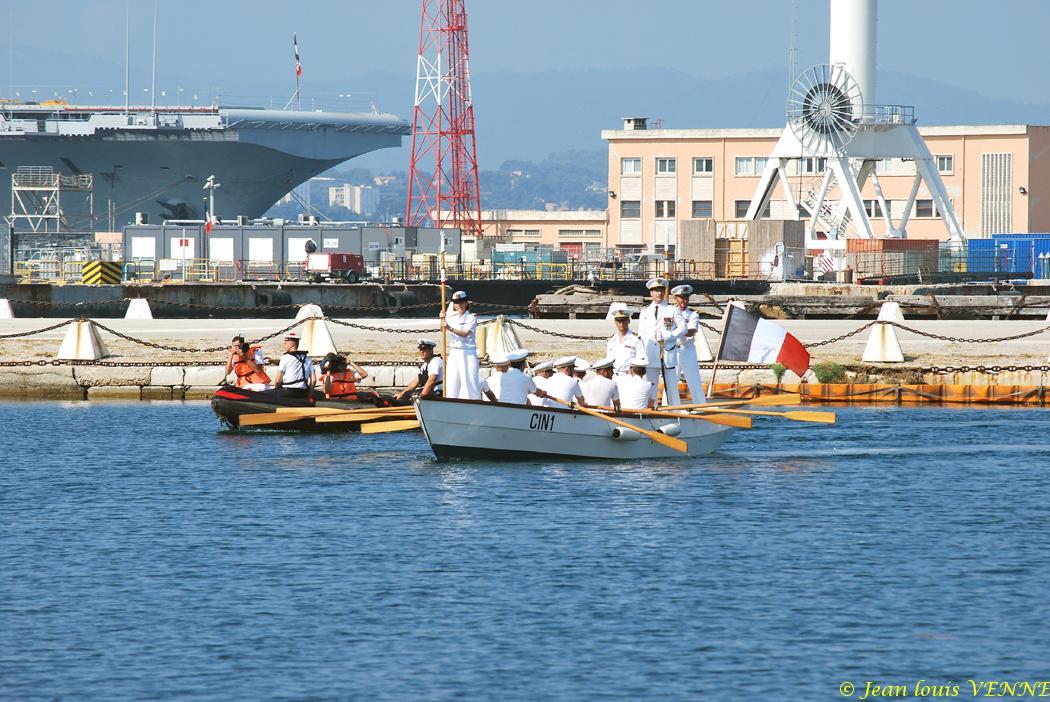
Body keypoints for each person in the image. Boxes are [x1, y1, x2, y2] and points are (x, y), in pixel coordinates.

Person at [441, 290, 481, 399]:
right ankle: (451, 402)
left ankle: (473, 402)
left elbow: (465, 334)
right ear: (454, 305)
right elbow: (442, 329)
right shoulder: (451, 317)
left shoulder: (471, 318)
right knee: (452, 382)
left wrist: (449, 328)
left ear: (466, 303)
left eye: (462, 302)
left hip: (468, 352)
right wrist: (442, 318)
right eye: (456, 303)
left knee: (470, 382)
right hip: (454, 352)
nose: (459, 305)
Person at [671, 284, 707, 404]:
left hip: (687, 349)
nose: (684, 301)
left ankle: (700, 405)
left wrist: (677, 331)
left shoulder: (693, 314)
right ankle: (668, 406)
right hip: (673, 350)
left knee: (694, 379)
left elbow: (691, 331)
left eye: (686, 298)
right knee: (671, 380)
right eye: (681, 298)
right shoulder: (669, 313)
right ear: (675, 298)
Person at [482, 352, 548, 405]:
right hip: (518, 410)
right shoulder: (526, 377)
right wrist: (542, 393)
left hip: (501, 408)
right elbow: (537, 393)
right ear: (524, 364)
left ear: (510, 364)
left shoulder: (502, 376)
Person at [395, 339, 444, 403]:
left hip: (438, 393)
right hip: (430, 392)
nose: (422, 351)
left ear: (431, 350)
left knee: (414, 395)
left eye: (424, 349)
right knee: (407, 394)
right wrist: (401, 394)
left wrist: (421, 397)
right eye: (420, 349)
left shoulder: (436, 361)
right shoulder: (425, 365)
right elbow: (414, 383)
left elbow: (431, 381)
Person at [271, 332, 313, 398]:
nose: (284, 344)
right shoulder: (308, 358)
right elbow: (314, 380)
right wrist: (310, 395)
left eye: (286, 342)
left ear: (292, 345)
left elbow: (277, 381)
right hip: (303, 392)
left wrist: (276, 391)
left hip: (288, 391)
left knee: (263, 394)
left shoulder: (285, 357)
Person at [606, 308, 641, 378]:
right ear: (615, 322)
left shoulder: (636, 339)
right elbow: (608, 361)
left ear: (629, 321)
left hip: (630, 376)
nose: (621, 324)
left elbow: (640, 359)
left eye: (624, 320)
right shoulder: (611, 340)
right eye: (619, 321)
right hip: (615, 376)